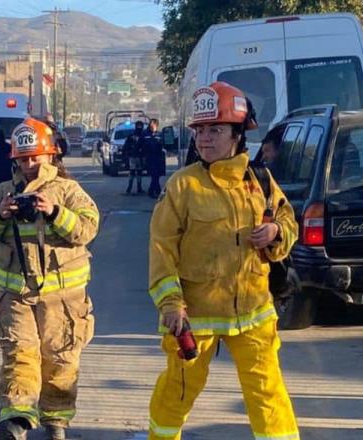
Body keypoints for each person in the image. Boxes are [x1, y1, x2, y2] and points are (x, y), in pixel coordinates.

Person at [146, 81, 300, 440]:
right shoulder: (182, 187)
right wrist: (171, 304)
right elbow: (162, 248)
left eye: (215, 129)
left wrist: (276, 232)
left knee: (268, 394)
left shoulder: (260, 181)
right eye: (200, 130)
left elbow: (288, 222)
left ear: (237, 135)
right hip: (194, 317)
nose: (205, 138)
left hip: (254, 313)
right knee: (178, 391)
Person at [0, 117, 100, 440]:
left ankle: (56, 421)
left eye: (35, 157)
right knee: (20, 353)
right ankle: (16, 419)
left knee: (61, 358)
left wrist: (56, 212)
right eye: (23, 158)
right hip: (15, 296)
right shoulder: (4, 191)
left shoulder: (69, 191)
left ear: (51, 156)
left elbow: (88, 228)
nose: (29, 164)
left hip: (64, 299)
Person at [142, 119, 166, 199]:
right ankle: (157, 192)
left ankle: (152, 191)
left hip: (159, 158)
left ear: (156, 126)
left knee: (156, 176)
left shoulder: (160, 135)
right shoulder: (145, 134)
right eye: (150, 125)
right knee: (154, 175)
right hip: (150, 158)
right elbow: (140, 145)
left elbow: (164, 145)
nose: (152, 127)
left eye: (153, 126)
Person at [123, 120, 145, 195]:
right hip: (136, 157)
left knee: (136, 172)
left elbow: (125, 147)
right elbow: (126, 147)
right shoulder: (140, 136)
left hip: (137, 157)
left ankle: (134, 188)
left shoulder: (134, 136)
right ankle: (132, 188)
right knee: (135, 172)